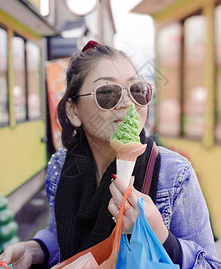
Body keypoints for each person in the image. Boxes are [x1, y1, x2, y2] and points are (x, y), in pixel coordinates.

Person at [0, 41, 220, 269]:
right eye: (107, 92)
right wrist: (36, 249)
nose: (128, 103)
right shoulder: (61, 165)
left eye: (138, 90)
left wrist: (160, 236)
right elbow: (61, 235)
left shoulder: (174, 173)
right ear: (73, 111)